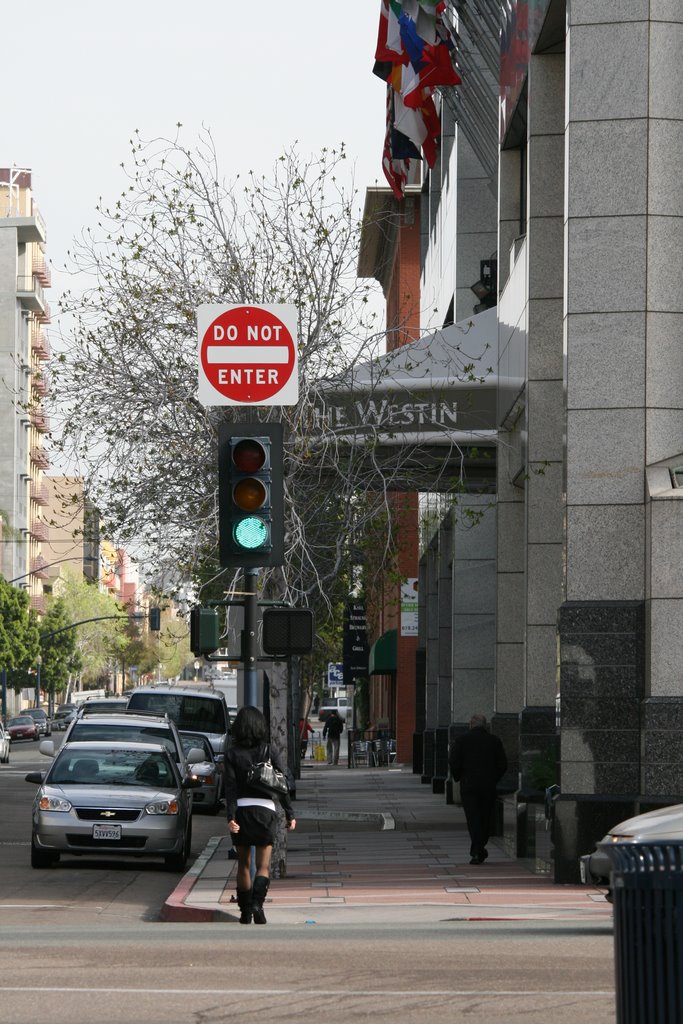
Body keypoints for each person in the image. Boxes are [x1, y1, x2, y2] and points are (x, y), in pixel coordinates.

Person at [223, 706, 296, 924]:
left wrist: (231, 818)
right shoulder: (269, 750)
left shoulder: (231, 754)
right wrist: (290, 813)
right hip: (266, 812)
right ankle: (257, 905)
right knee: (263, 866)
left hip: (242, 812)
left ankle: (245, 912)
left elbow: (230, 789)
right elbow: (282, 784)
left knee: (243, 864)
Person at [448, 714, 507, 865]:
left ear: (471, 724)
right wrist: (494, 778)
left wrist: (459, 776)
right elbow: (503, 764)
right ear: (485, 725)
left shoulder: (461, 740)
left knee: (473, 818)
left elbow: (453, 761)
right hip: (488, 786)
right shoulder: (494, 741)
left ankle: (477, 850)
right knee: (486, 817)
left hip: (468, 785)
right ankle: (479, 848)